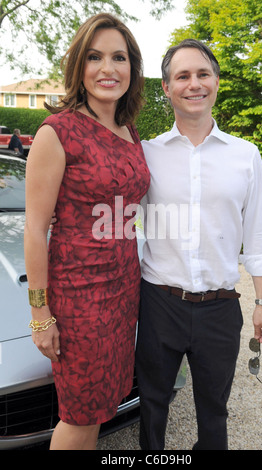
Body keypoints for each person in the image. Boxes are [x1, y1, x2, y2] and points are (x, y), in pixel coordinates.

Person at [135, 39, 262, 450]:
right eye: (182, 76)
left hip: (220, 309)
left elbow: (257, 234)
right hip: (159, 303)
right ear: (166, 87)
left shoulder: (245, 155)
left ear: (216, 82)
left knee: (214, 413)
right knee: (153, 407)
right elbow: (116, 211)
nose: (193, 84)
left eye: (203, 74)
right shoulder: (146, 153)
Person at [24, 13, 150, 450]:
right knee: (78, 416)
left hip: (123, 293)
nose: (107, 68)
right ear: (79, 65)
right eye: (94, 57)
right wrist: (40, 314)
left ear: (132, 68)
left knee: (101, 408)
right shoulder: (57, 133)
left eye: (119, 57)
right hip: (79, 300)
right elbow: (36, 229)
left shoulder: (127, 130)